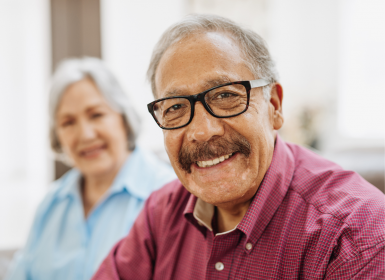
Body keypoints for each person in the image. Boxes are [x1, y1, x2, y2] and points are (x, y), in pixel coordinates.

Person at [92, 15, 385, 279]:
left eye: (224, 96)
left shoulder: (354, 235)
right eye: (176, 107)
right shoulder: (161, 213)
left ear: (274, 105)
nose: (203, 131)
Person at [5, 57, 176, 280]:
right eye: (68, 122)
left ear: (123, 119)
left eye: (96, 115)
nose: (85, 134)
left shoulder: (169, 196)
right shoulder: (51, 204)